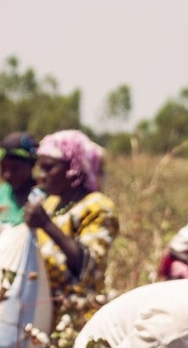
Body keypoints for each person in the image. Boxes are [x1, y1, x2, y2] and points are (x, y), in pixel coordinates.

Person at [24, 130, 118, 325]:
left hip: (76, 318)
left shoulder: (98, 207)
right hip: (41, 314)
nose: (41, 176)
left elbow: (89, 266)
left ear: (74, 167)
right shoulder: (50, 204)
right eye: (40, 168)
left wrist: (46, 225)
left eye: (49, 168)